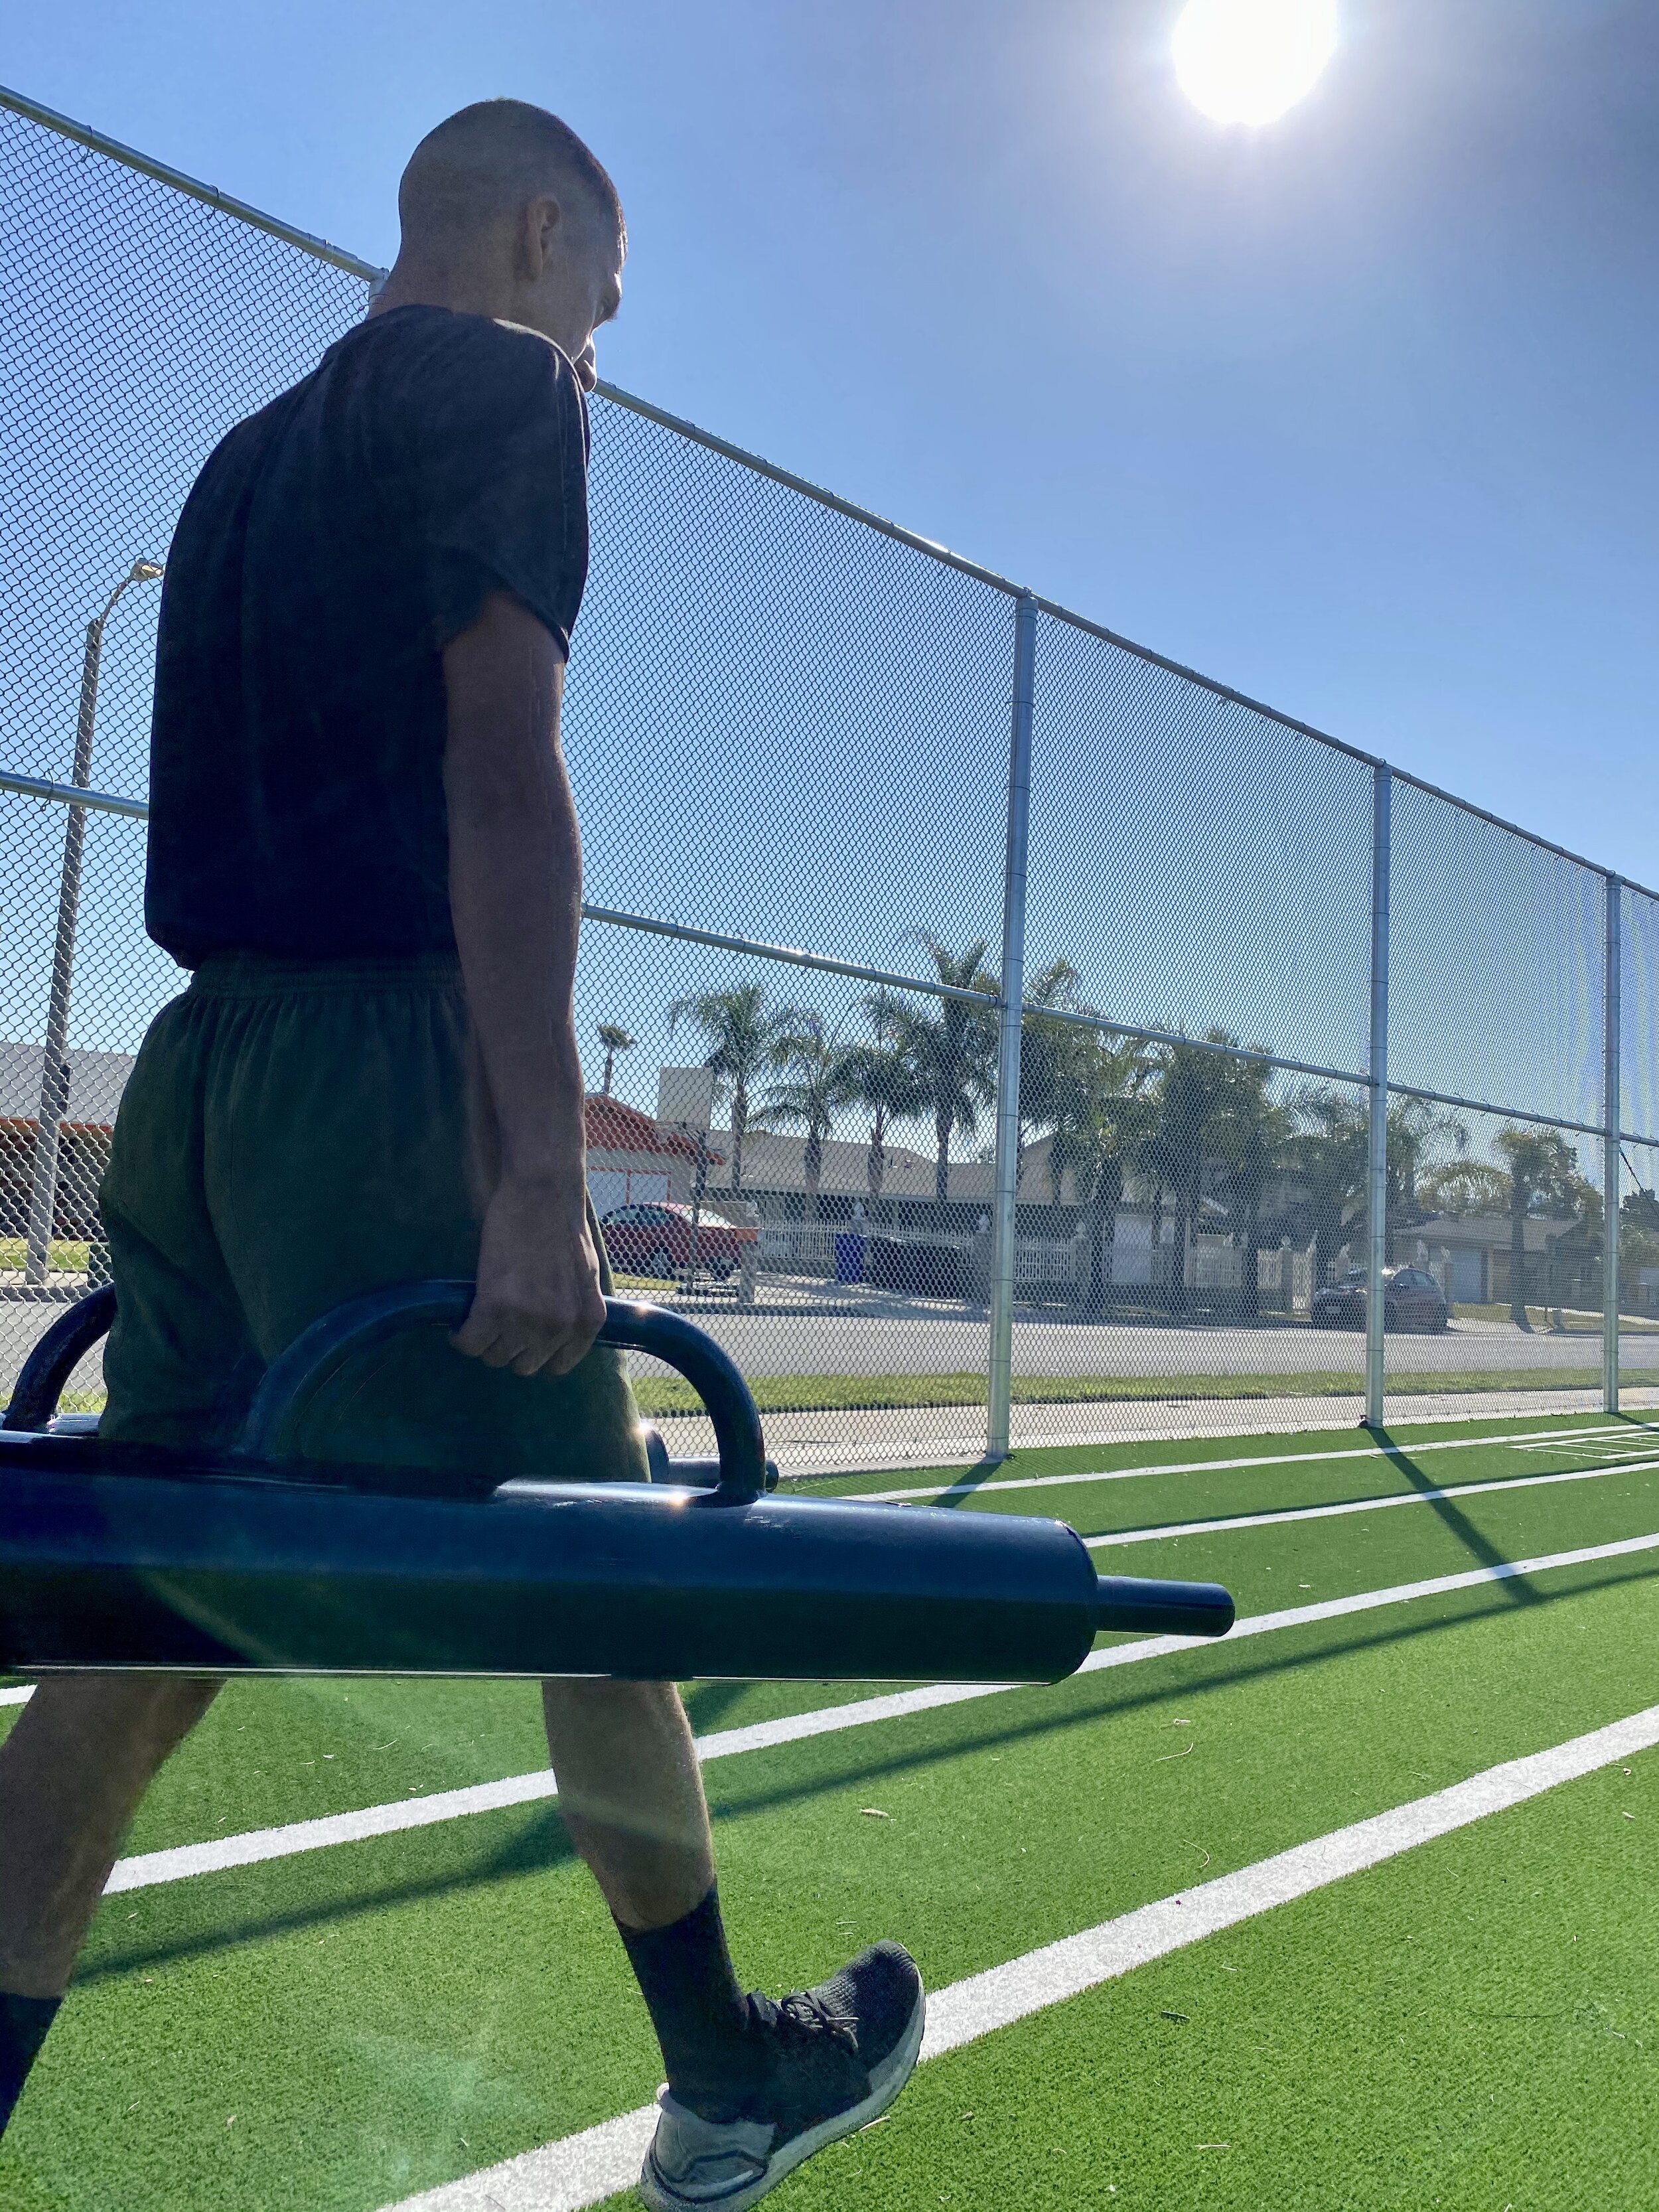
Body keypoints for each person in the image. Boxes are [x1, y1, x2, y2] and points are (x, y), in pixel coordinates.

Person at [0, 98, 922, 2209]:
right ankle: (722, 2080)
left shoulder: (241, 458)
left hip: (199, 1071)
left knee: (136, 1634)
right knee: (598, 1583)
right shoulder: (503, 387)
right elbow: (500, 775)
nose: (603, 336)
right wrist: (530, 1164)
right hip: (378, 1070)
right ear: (537, 236)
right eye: (605, 292)